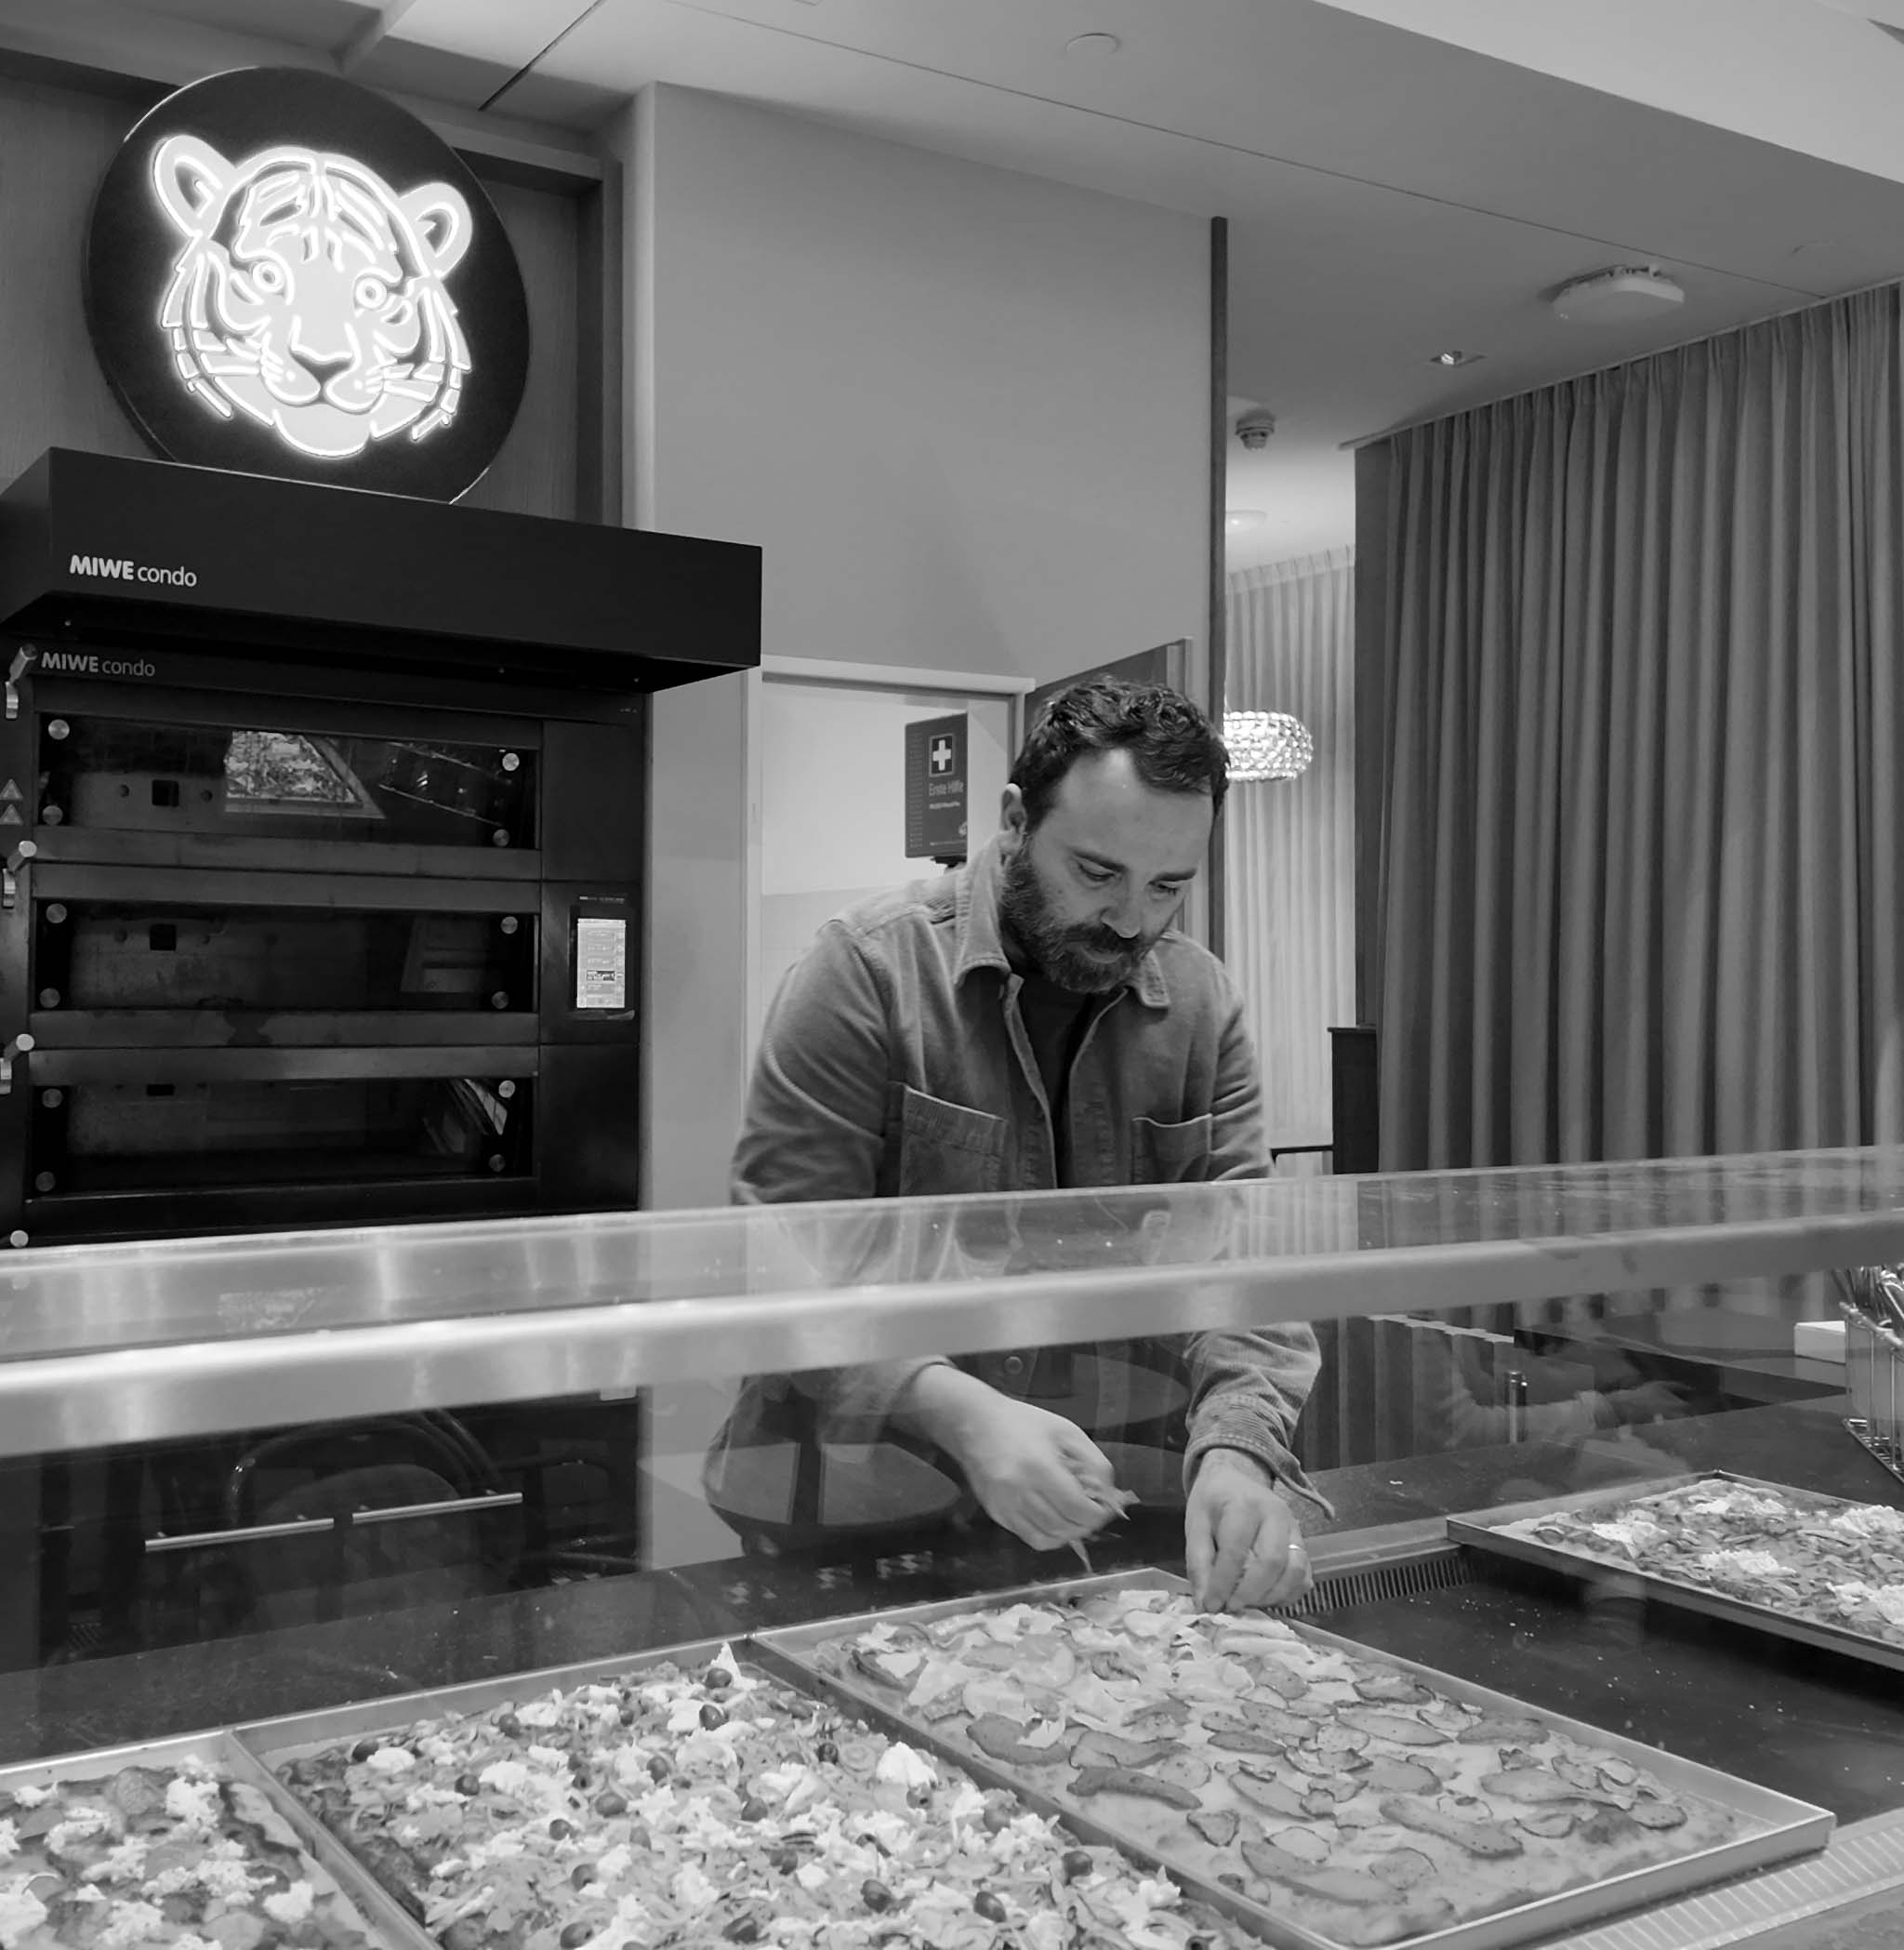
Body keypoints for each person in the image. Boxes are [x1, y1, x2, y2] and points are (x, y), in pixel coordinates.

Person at [709, 678, 1323, 1612]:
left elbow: (1246, 1271)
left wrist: (1238, 1451)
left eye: (1167, 887)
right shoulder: (863, 973)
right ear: (1010, 820)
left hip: (1098, 1507)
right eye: (1095, 873)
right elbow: (778, 1260)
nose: (1131, 921)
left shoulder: (1202, 1006)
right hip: (848, 1511)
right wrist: (954, 1408)